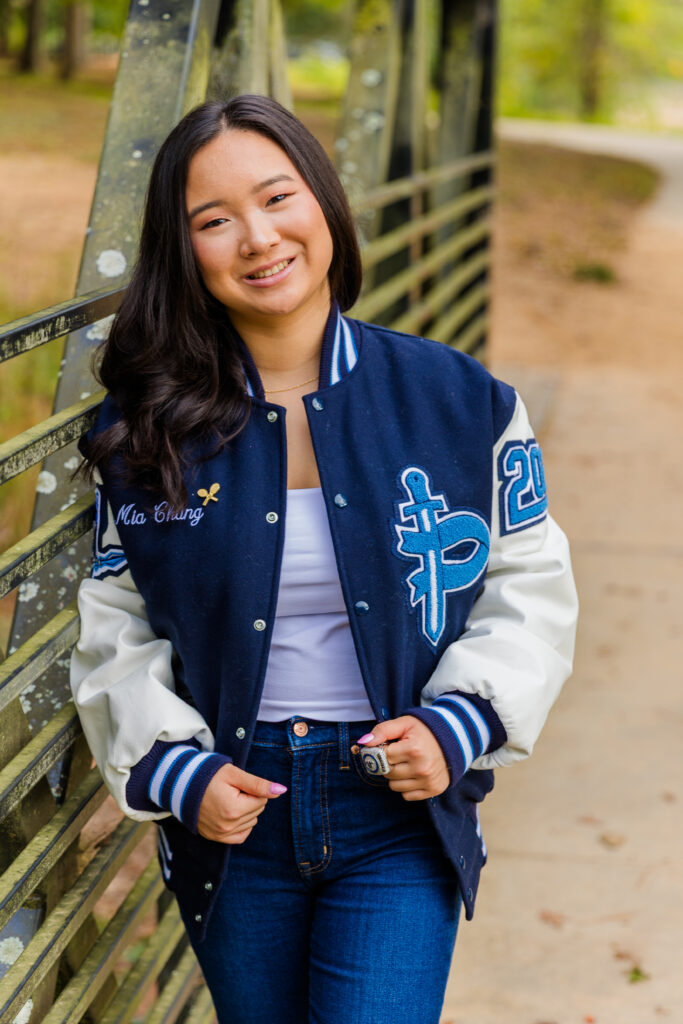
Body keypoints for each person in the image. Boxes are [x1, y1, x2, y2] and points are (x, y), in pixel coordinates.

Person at [70, 94, 578, 1024]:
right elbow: (116, 621)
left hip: (399, 801)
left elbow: (528, 582)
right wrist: (178, 771)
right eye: (213, 222)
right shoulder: (146, 434)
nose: (258, 239)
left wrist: (457, 725)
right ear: (185, 253)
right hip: (234, 806)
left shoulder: (460, 401)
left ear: (324, 203)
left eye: (277, 198)